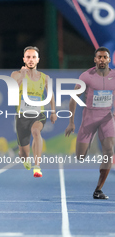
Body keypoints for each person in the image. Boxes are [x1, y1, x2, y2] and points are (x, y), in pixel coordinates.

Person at [65, 47, 115, 200]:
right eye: (99, 57)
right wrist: (71, 122)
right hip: (89, 119)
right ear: (95, 60)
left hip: (107, 118)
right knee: (80, 156)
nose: (102, 60)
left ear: (109, 60)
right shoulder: (86, 76)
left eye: (104, 57)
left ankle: (98, 189)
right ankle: (88, 144)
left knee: (109, 151)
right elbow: (73, 98)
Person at [11, 46, 57, 177]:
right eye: (28, 57)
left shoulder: (44, 77)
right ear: (24, 59)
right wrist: (23, 76)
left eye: (33, 57)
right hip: (22, 116)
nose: (31, 60)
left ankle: (37, 167)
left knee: (36, 132)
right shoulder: (16, 74)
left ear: (38, 60)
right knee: (23, 154)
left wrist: (53, 112)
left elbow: (51, 95)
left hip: (38, 114)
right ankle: (26, 159)